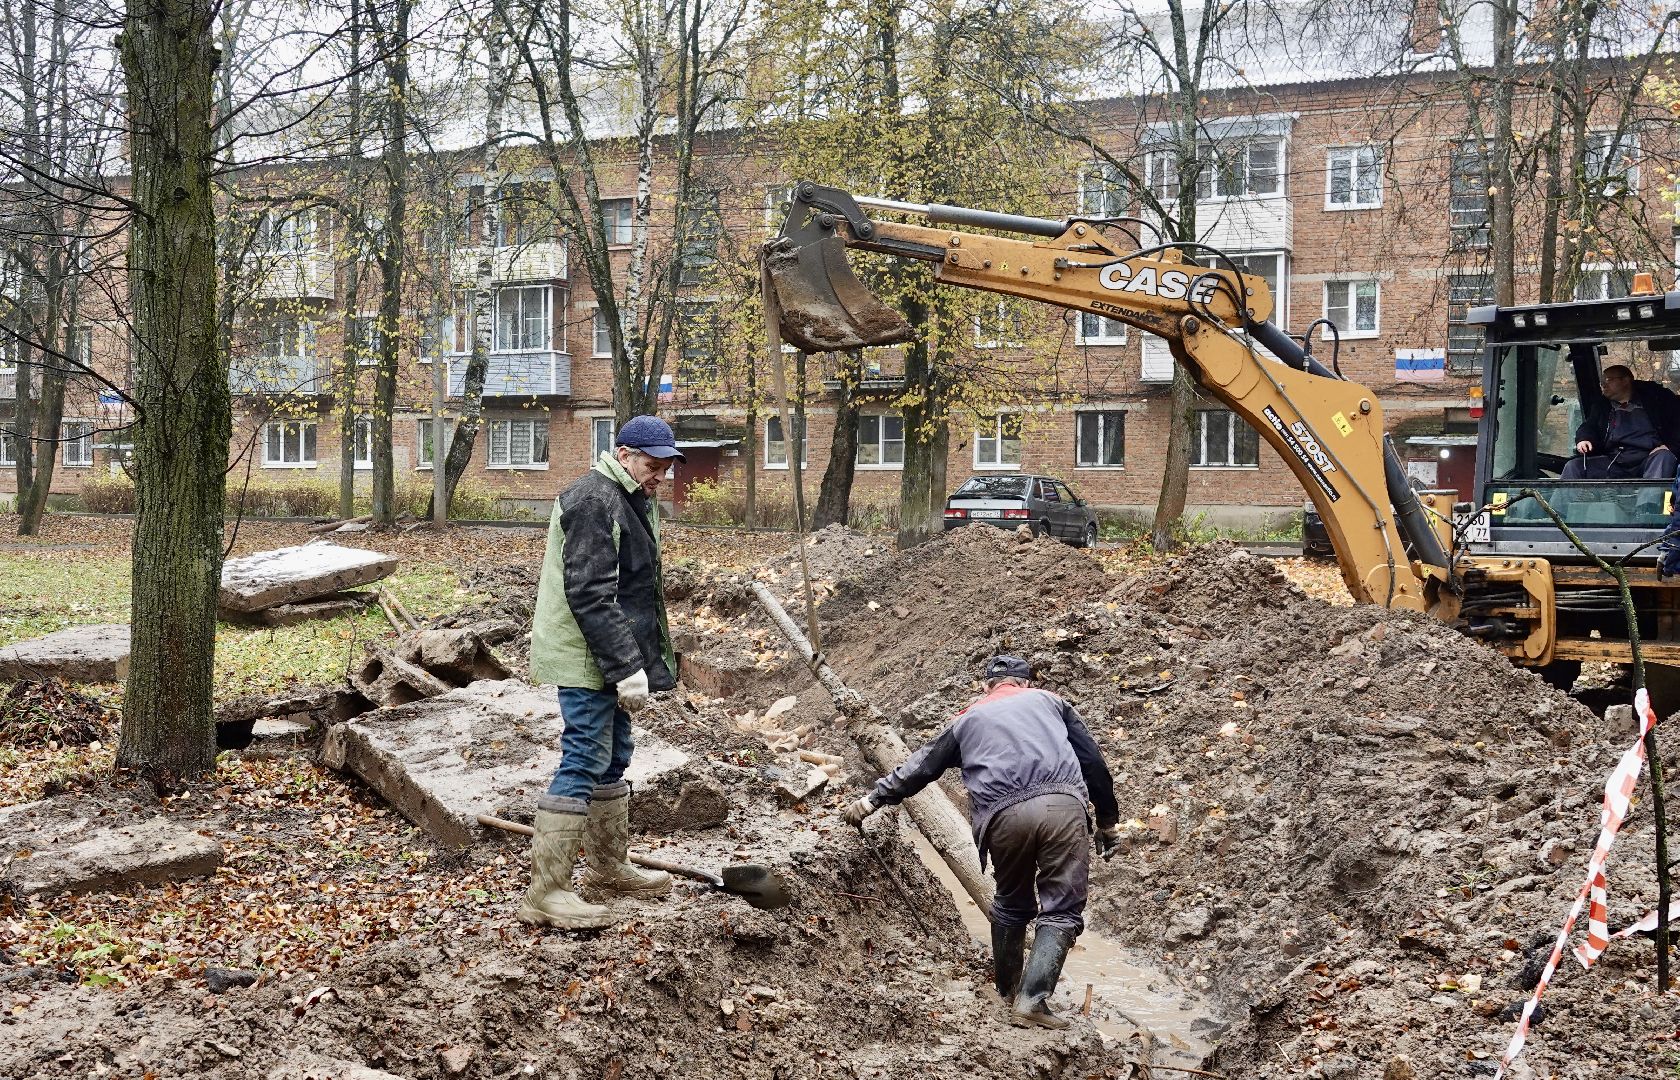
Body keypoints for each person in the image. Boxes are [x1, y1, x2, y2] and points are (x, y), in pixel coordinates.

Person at [843, 655, 1122, 1029]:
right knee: (1061, 908)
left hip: (1002, 817)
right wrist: (1107, 822)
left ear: (985, 687)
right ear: (1025, 683)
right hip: (1061, 808)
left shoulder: (967, 719)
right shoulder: (1051, 701)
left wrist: (872, 800)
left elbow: (922, 767)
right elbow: (1093, 763)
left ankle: (1006, 992)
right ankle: (1032, 1000)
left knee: (1010, 902)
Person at [518, 415, 685, 930]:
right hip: (586, 653)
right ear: (624, 452)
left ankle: (608, 867)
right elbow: (590, 593)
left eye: (664, 467)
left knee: (615, 754)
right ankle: (547, 892)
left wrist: (637, 661)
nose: (660, 475)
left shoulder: (630, 496)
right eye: (652, 465)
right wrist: (625, 667)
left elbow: (636, 589)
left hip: (610, 653)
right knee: (585, 754)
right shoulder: (594, 499)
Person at [1563, 363, 1680, 482]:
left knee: (1665, 456)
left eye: (1608, 380)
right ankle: (1560, 502)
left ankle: (1649, 501)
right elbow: (1589, 426)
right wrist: (1584, 439)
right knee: (1574, 467)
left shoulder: (1657, 400)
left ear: (1625, 380)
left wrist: (1670, 446)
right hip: (1614, 461)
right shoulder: (1602, 406)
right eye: (1602, 381)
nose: (1603, 384)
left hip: (1650, 458)